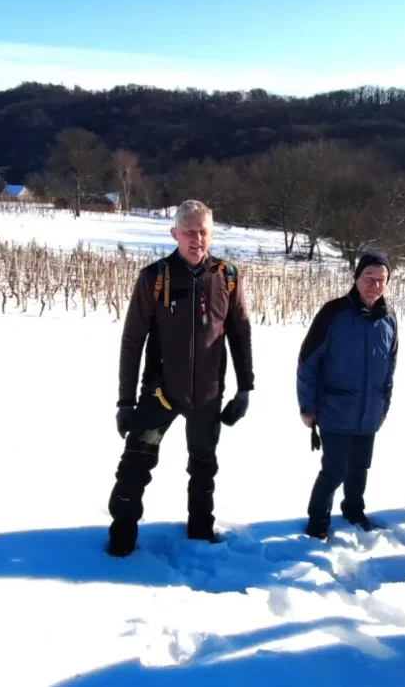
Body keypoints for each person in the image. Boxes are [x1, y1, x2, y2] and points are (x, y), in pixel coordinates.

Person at [106, 199, 254, 557]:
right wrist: (126, 401)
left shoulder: (227, 277)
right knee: (135, 465)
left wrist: (244, 388)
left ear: (212, 234)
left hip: (207, 394)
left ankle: (201, 533)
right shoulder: (155, 278)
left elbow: (241, 334)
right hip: (160, 392)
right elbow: (132, 341)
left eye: (203, 232)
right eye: (189, 232)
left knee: (203, 467)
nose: (196, 239)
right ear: (175, 234)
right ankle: (121, 536)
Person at [297, 251, 398, 540]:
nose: (375, 285)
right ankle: (317, 523)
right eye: (369, 278)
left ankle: (354, 511)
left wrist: (384, 405)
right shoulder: (333, 313)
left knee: (360, 467)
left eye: (382, 280)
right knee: (334, 470)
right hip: (335, 408)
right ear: (357, 278)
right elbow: (307, 362)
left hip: (369, 411)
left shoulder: (388, 318)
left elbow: (390, 366)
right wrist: (307, 407)